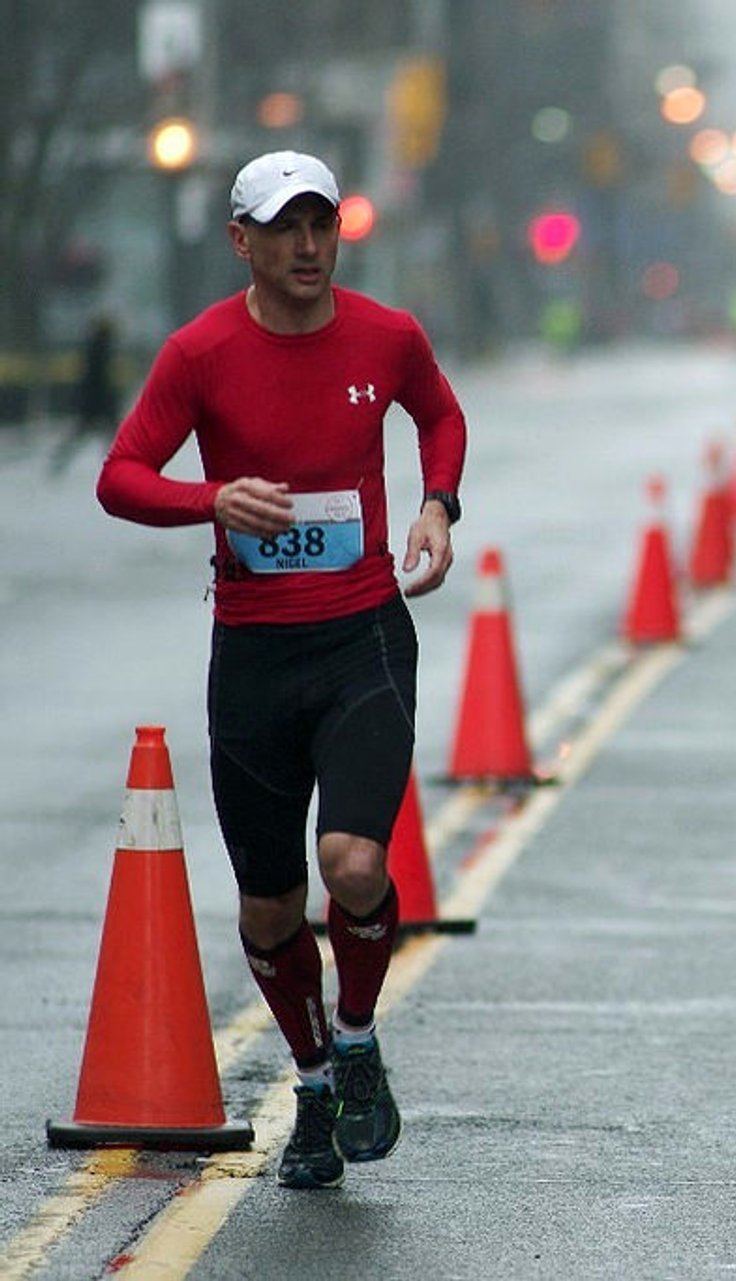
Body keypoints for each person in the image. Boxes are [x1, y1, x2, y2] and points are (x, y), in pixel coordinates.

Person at [96, 151, 468, 1191]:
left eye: (322, 225)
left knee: (353, 863)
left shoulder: (387, 336)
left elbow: (440, 413)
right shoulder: (200, 353)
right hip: (254, 656)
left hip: (363, 641)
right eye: (285, 229)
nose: (308, 247)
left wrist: (439, 503)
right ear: (241, 241)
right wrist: (208, 501)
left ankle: (355, 1040)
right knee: (267, 906)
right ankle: (312, 1085)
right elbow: (119, 477)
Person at [50, 314, 121, 476]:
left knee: (84, 435)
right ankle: (119, 467)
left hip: (92, 402)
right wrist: (110, 401)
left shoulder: (94, 348)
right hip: (98, 403)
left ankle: (60, 460)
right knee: (113, 437)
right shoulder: (101, 350)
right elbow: (101, 380)